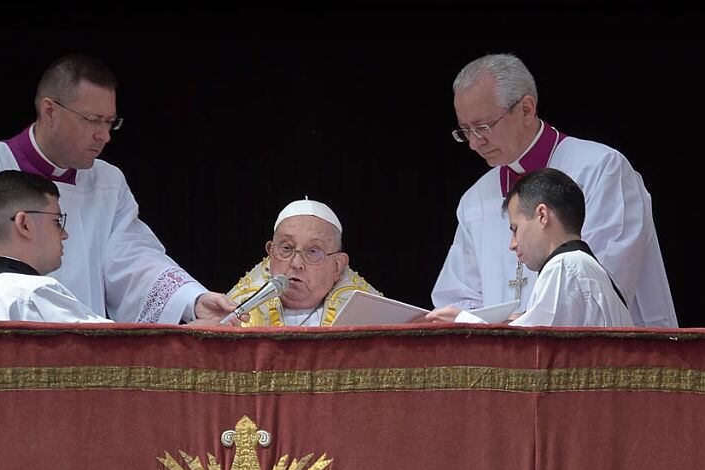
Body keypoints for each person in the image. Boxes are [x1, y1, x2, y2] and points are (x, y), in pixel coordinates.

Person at [0, 53, 236, 324]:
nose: (104, 136)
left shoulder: (108, 182)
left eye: (110, 122)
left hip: (82, 359)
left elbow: (133, 259)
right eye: (92, 120)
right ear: (50, 111)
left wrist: (191, 301)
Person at [431, 53, 676, 327]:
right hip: (503, 362)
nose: (474, 143)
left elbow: (597, 292)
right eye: (465, 131)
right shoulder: (475, 199)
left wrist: (496, 324)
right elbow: (456, 298)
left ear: (526, 108)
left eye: (483, 127)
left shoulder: (600, 169)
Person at [429, 169, 633, 327]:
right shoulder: (587, 267)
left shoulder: (565, 266)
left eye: (515, 229)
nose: (513, 244)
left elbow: (530, 352)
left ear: (542, 215)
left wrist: (463, 322)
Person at [0, 170, 111, 322]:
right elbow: (117, 345)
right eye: (57, 222)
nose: (65, 234)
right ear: (24, 224)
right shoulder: (29, 293)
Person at [225, 198, 380, 326]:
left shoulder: (372, 317)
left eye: (312, 251)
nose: (296, 263)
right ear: (271, 253)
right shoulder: (235, 315)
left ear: (338, 266)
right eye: (286, 248)